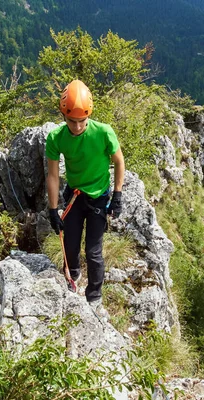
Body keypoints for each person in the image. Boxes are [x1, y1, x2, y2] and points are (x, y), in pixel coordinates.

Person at [45, 79, 125, 311]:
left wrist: (117, 195)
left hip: (99, 197)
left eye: (82, 121)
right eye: (72, 120)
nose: (77, 126)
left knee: (93, 250)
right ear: (63, 115)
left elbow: (119, 161)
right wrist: (52, 209)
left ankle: (94, 295)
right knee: (70, 243)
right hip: (74, 196)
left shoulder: (103, 132)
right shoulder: (56, 137)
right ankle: (74, 275)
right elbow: (52, 175)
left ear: (89, 116)